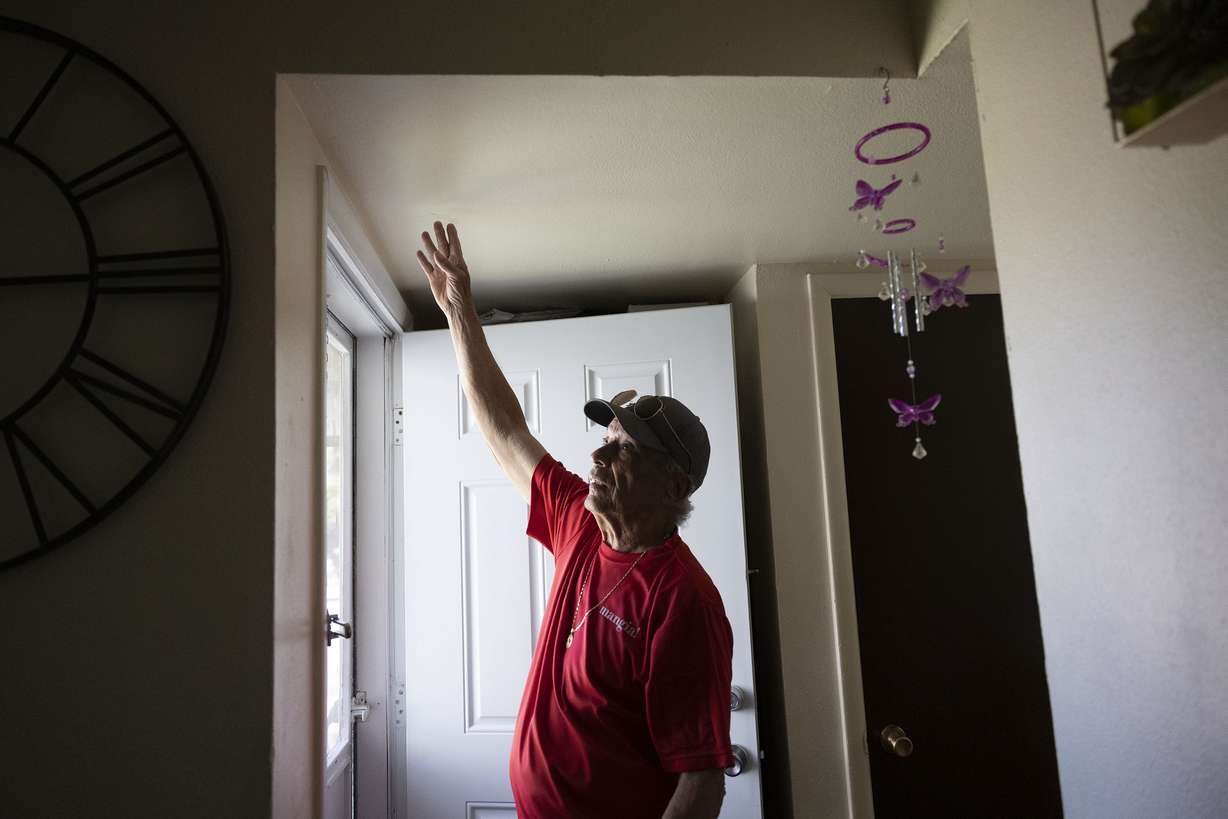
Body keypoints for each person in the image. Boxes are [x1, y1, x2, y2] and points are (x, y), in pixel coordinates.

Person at [417, 222, 735, 819]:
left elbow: (700, 782)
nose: (598, 455)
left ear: (675, 483)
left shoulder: (683, 600)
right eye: (605, 438)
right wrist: (460, 309)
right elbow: (506, 431)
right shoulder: (579, 523)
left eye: (625, 448)